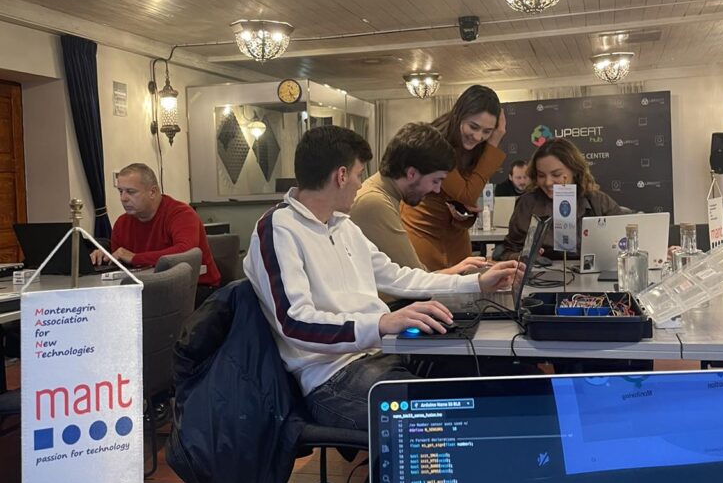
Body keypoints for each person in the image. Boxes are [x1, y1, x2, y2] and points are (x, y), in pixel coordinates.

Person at [244, 125, 523, 431]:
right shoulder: (279, 228)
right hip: (332, 377)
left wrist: (476, 283)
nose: (360, 183)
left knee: (493, 381)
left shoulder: (342, 226)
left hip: (381, 354)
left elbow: (399, 277)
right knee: (453, 422)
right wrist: (381, 323)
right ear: (341, 176)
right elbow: (295, 323)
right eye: (359, 174)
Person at [350, 121, 487, 276]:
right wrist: (465, 277)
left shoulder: (383, 195)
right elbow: (413, 280)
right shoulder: (375, 203)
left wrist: (455, 271)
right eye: (436, 180)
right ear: (411, 173)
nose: (437, 189)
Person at [400, 85, 507, 270]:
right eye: (473, 127)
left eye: (487, 131)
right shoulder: (436, 142)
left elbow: (463, 196)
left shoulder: (476, 147)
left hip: (455, 235)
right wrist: (495, 140)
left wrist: (463, 209)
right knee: (429, 284)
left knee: (466, 284)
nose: (478, 136)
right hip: (422, 232)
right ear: (458, 115)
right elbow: (467, 194)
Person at [92, 162, 221, 301]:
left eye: (131, 192)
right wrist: (106, 257)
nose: (123, 198)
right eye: (120, 191)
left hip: (196, 288)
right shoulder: (122, 223)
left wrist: (135, 258)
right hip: (147, 288)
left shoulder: (181, 214)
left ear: (152, 192)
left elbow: (186, 251)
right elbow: (121, 260)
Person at [498, 138, 623, 260]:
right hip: (542, 273)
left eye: (556, 174)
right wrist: (523, 257)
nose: (548, 182)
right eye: (541, 175)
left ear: (575, 170)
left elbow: (623, 241)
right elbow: (507, 251)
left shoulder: (599, 202)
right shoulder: (527, 204)